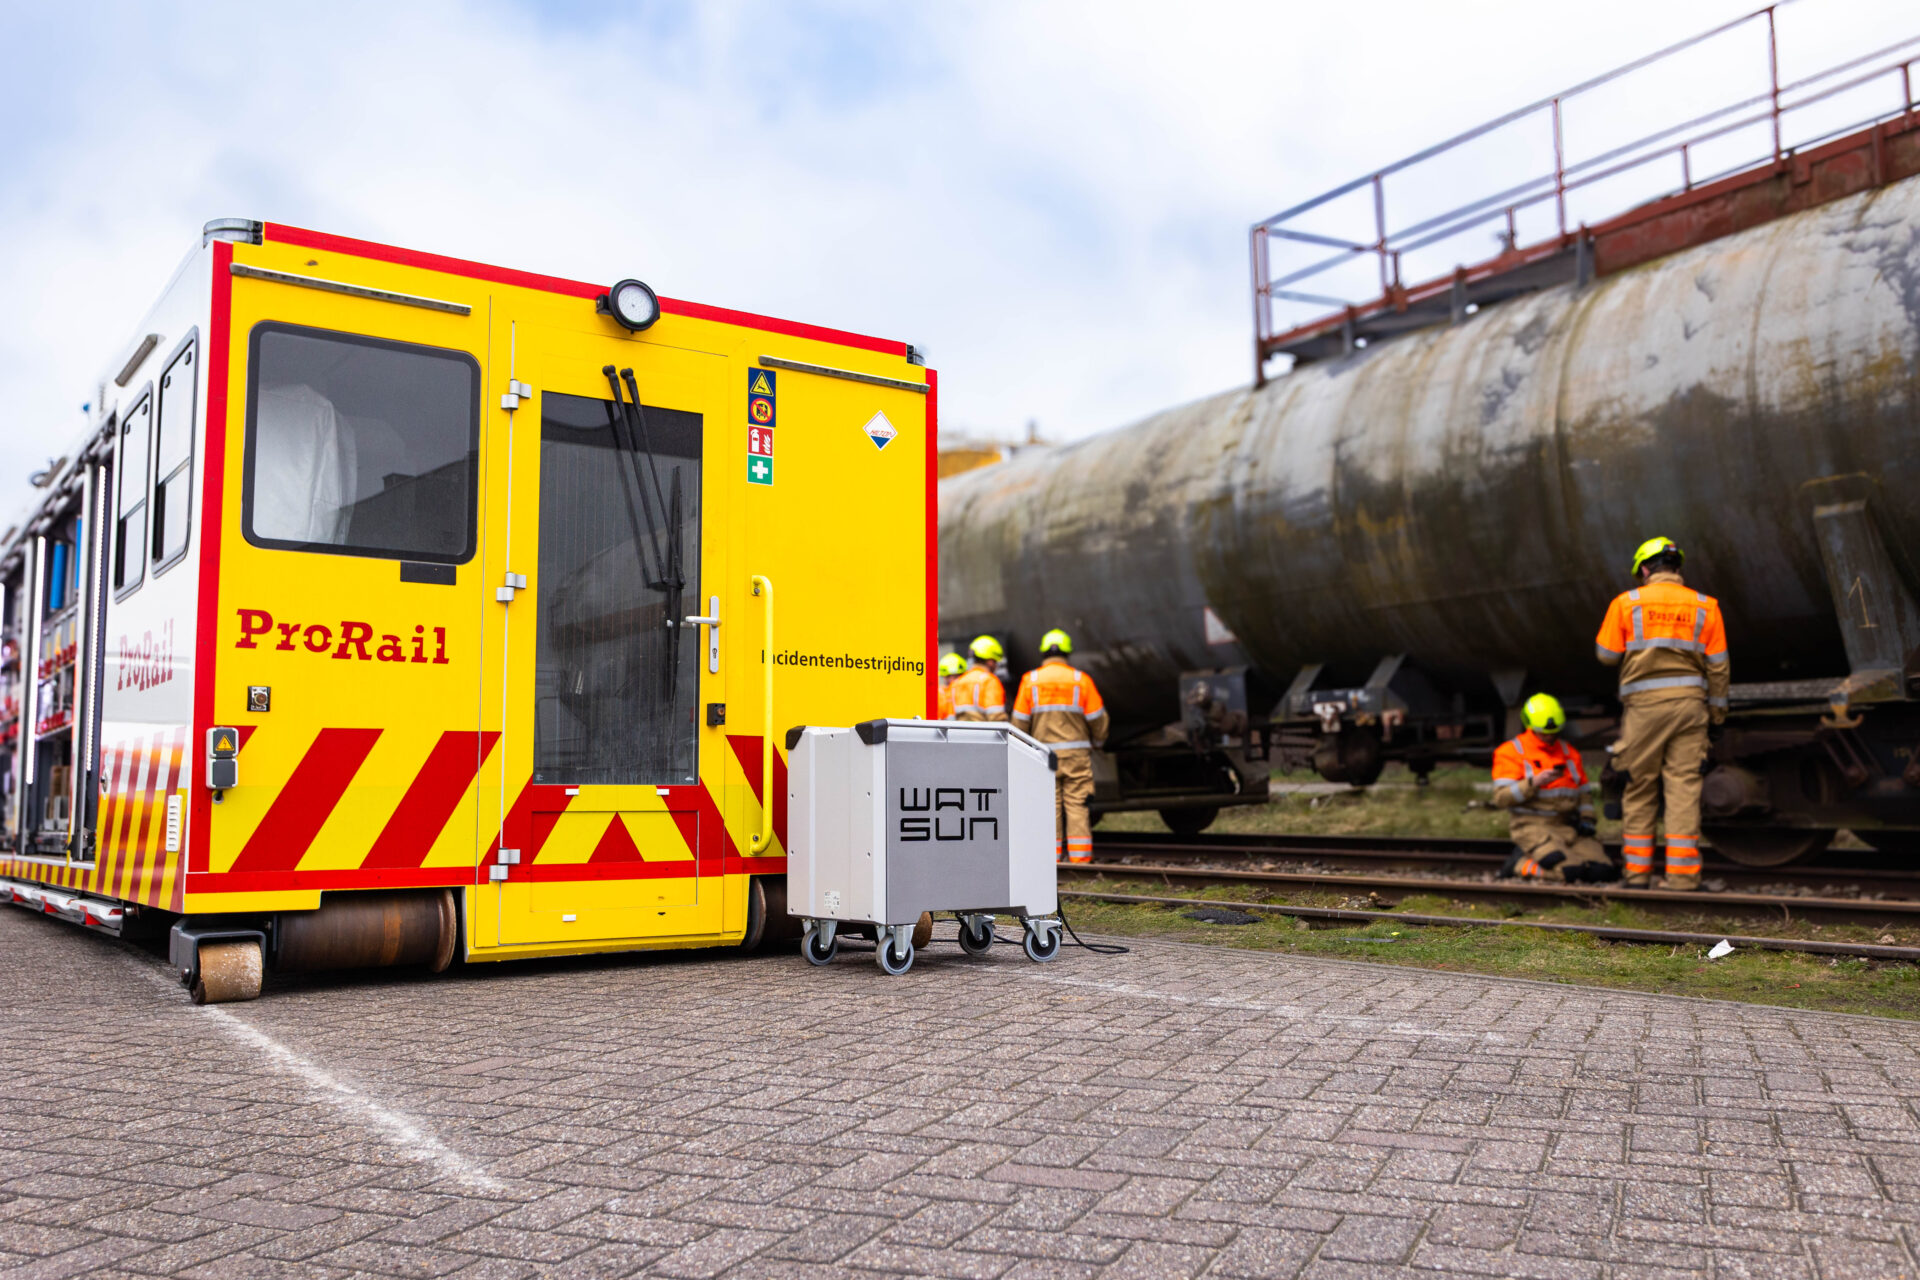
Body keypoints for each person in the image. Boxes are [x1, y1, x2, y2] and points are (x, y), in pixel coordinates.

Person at [1595, 536, 1729, 890]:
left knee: (1639, 786)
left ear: (1644, 569)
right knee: (1683, 788)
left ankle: (1637, 876)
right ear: (1677, 567)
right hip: (1690, 707)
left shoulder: (1627, 603)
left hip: (1645, 709)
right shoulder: (1706, 606)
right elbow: (1719, 668)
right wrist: (1716, 715)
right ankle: (1683, 878)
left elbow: (1606, 655)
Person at [1491, 694, 1617, 883]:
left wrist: (1587, 819)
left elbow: (1584, 792)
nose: (1549, 737)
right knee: (1569, 872)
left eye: (1553, 732)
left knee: (1603, 872)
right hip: (1532, 827)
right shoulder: (1511, 752)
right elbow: (1501, 799)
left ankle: (1558, 858)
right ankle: (1519, 864)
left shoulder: (1569, 753)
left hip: (1567, 827)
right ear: (1530, 726)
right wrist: (1533, 783)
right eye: (1543, 733)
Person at [1011, 629, 1107, 863]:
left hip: (1044, 756)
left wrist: (1023, 750)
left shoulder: (1031, 681)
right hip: (1076, 756)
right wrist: (1097, 742)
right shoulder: (1080, 680)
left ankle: (1050, 860)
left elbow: (1019, 722)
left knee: (1049, 805)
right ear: (1067, 653)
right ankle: (1080, 860)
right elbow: (1098, 719)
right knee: (1077, 804)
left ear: (1044, 653)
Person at [949, 636, 1009, 722]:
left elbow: (950, 718)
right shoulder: (989, 681)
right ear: (990, 661)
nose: (996, 665)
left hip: (959, 731)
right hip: (984, 731)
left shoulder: (956, 683)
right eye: (995, 661)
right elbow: (996, 718)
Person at [935, 651, 965, 719]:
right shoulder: (939, 694)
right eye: (947, 676)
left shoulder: (967, 691)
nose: (952, 680)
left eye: (956, 676)